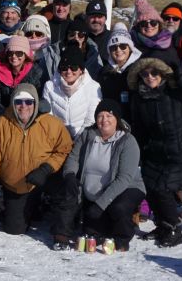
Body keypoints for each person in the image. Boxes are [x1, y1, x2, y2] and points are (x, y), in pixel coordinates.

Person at [127, 57, 182, 247]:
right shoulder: (139, 97)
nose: (150, 77)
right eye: (145, 73)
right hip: (157, 151)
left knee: (163, 186)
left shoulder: (176, 89)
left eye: (154, 73)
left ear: (162, 73)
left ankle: (174, 228)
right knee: (149, 182)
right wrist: (139, 153)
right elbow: (139, 128)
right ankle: (163, 225)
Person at [0, 83, 73, 242]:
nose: (23, 106)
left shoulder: (51, 123)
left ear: (35, 103)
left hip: (45, 176)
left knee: (67, 187)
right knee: (14, 229)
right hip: (17, 184)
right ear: (13, 103)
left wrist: (46, 168)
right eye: (18, 101)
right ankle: (31, 207)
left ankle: (61, 231)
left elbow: (65, 149)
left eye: (29, 102)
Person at [60, 99, 146, 253]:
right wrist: (70, 175)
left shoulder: (127, 141)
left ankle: (123, 237)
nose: (104, 120)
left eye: (109, 116)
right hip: (93, 191)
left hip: (125, 188)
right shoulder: (88, 135)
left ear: (117, 119)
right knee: (92, 231)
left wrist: (101, 204)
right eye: (100, 116)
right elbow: (73, 157)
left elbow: (124, 178)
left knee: (118, 209)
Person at [41, 47, 101, 138]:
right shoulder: (49, 86)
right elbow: (48, 116)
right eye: (64, 68)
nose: (69, 72)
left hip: (84, 138)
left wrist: (78, 140)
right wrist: (62, 138)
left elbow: (90, 120)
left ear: (81, 70)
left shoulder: (93, 87)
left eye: (74, 67)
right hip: (57, 137)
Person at [97, 27, 143, 118]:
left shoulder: (140, 69)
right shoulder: (104, 73)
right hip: (112, 121)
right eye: (114, 47)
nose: (118, 50)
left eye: (123, 46)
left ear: (130, 48)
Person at [131, 0, 180, 70]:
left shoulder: (169, 43)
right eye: (144, 23)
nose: (149, 26)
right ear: (138, 26)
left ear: (159, 24)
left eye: (153, 23)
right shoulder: (131, 43)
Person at [19, 15, 58, 91]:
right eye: (29, 34)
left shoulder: (52, 57)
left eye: (38, 34)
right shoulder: (18, 55)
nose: (34, 37)